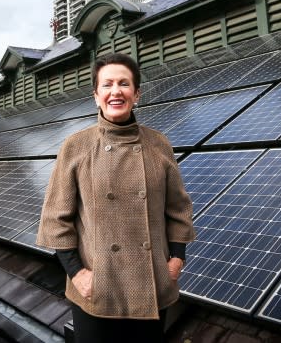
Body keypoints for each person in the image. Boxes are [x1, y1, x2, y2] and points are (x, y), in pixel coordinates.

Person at [37, 53, 196, 343]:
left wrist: (176, 260)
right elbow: (55, 219)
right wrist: (78, 274)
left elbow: (178, 208)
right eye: (107, 84)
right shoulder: (76, 146)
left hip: (150, 286)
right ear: (96, 95)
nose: (115, 91)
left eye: (124, 84)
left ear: (136, 94)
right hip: (97, 289)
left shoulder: (158, 144)